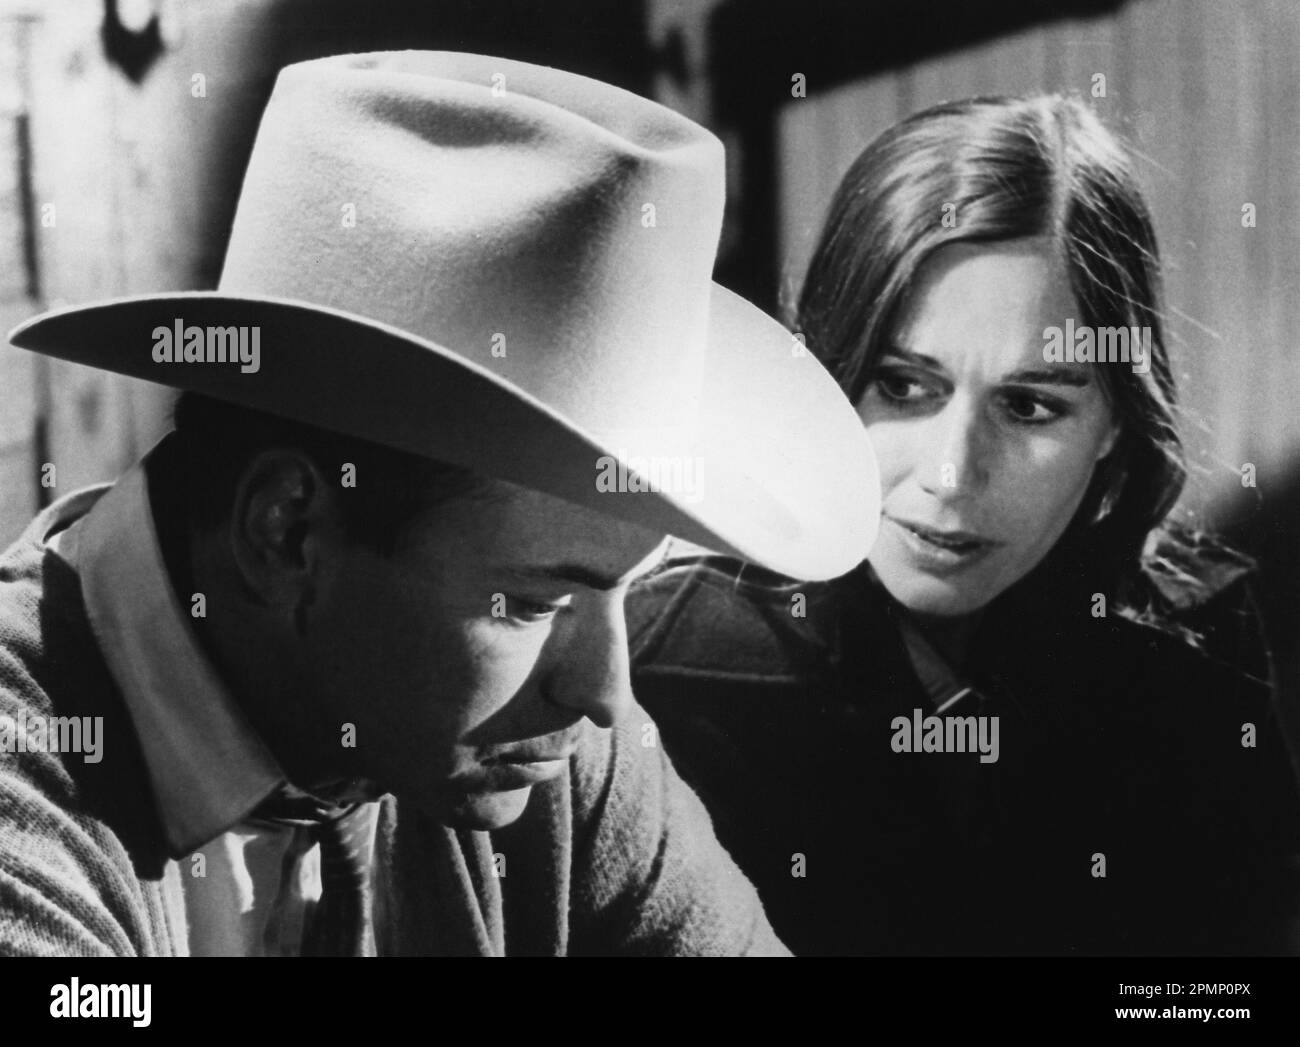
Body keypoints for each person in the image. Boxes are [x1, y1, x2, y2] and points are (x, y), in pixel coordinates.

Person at [0, 50, 878, 956]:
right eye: (536, 602)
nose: (607, 692)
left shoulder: (540, 744)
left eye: (623, 585)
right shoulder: (25, 798)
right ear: (288, 531)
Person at [630, 94, 1300, 956]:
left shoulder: (1195, 635)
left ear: (1116, 427)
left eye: (1028, 406)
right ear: (825, 375)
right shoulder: (672, 665)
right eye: (904, 386)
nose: (951, 477)